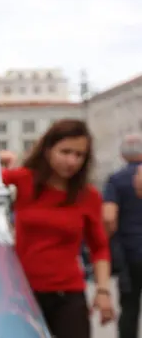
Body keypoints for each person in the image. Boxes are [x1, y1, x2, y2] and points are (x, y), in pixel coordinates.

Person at [0, 119, 114, 338]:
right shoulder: (25, 180)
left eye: (79, 155)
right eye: (65, 151)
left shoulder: (88, 196)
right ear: (47, 150)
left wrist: (103, 291)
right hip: (23, 295)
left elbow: (99, 247)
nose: (72, 161)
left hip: (68, 295)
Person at [102, 133, 142, 338]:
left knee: (130, 308)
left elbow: (109, 217)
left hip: (130, 253)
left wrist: (109, 243)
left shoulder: (116, 180)